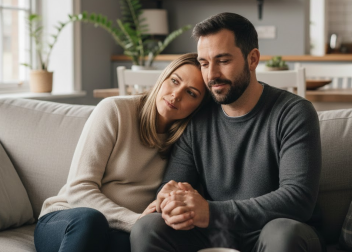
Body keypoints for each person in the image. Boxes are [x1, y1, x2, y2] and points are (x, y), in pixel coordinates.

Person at [130, 12, 324, 252]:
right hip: (215, 233)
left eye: (223, 60)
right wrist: (170, 199)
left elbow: (297, 200)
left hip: (276, 231)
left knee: (282, 234)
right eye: (204, 63)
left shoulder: (294, 112)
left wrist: (211, 212)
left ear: (252, 59)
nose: (211, 75)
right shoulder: (197, 116)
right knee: (148, 228)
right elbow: (175, 183)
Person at [34, 53, 209, 252]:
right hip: (69, 219)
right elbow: (78, 188)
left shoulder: (187, 144)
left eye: (191, 93)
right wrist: (135, 221)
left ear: (199, 106)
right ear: (163, 78)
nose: (176, 94)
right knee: (91, 221)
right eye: (174, 81)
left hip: (119, 231)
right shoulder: (115, 110)